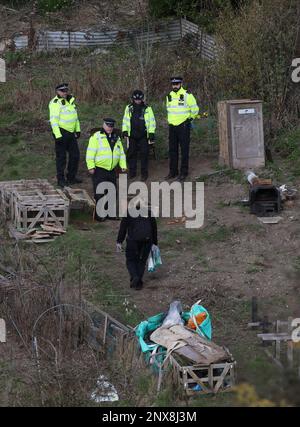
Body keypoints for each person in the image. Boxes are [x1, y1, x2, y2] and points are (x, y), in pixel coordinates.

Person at [86, 118, 127, 221]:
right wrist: (90, 166)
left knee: (112, 192)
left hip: (111, 170)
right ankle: (100, 216)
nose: (109, 128)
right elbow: (90, 152)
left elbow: (121, 153)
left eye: (111, 126)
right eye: (108, 126)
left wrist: (123, 165)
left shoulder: (116, 137)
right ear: (103, 125)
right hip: (99, 169)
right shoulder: (96, 137)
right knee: (100, 192)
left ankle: (111, 214)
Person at [116, 200, 158, 290]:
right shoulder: (149, 213)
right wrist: (155, 243)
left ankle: (135, 277)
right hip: (147, 241)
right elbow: (154, 229)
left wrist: (119, 242)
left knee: (131, 260)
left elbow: (123, 228)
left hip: (133, 241)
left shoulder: (129, 213)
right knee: (142, 261)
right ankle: (138, 282)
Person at [165, 77, 199, 182]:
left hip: (183, 126)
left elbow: (195, 109)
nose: (175, 86)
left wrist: (190, 119)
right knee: (172, 150)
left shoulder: (187, 95)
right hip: (172, 127)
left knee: (184, 150)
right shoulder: (169, 95)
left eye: (177, 84)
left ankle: (183, 172)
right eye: (173, 84)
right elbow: (169, 110)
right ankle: (173, 172)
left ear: (181, 84)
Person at [49, 83, 82, 187]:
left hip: (71, 133)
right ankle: (61, 179)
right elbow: (53, 121)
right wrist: (57, 135)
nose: (64, 93)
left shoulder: (71, 100)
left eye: (66, 91)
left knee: (75, 156)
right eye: (62, 91)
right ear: (57, 92)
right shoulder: (55, 103)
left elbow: (75, 117)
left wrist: (78, 129)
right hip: (61, 132)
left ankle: (71, 177)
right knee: (61, 158)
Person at [122, 90, 156, 181]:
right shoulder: (128, 108)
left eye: (139, 99)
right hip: (132, 136)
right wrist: (125, 131)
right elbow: (125, 120)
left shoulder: (147, 108)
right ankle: (132, 173)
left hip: (143, 136)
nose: (137, 101)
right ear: (133, 99)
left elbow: (152, 121)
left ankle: (144, 174)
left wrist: (151, 133)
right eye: (136, 99)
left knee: (144, 154)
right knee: (131, 154)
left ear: (142, 99)